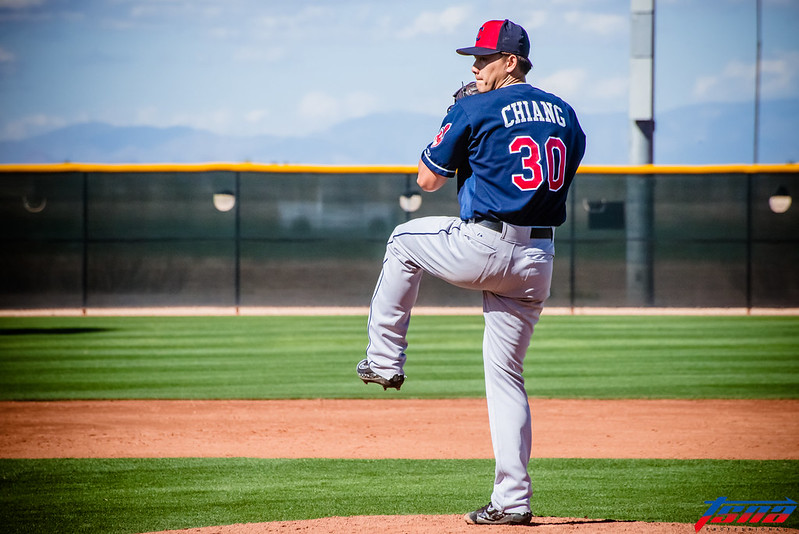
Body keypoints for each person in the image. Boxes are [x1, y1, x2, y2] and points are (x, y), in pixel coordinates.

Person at [356, 19, 586, 525]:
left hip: (485, 245)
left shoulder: (475, 105)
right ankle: (512, 502)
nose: (476, 67)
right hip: (538, 260)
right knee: (507, 380)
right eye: (475, 59)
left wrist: (455, 119)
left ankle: (383, 359)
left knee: (401, 240)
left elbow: (427, 180)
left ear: (511, 61)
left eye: (484, 58)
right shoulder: (567, 114)